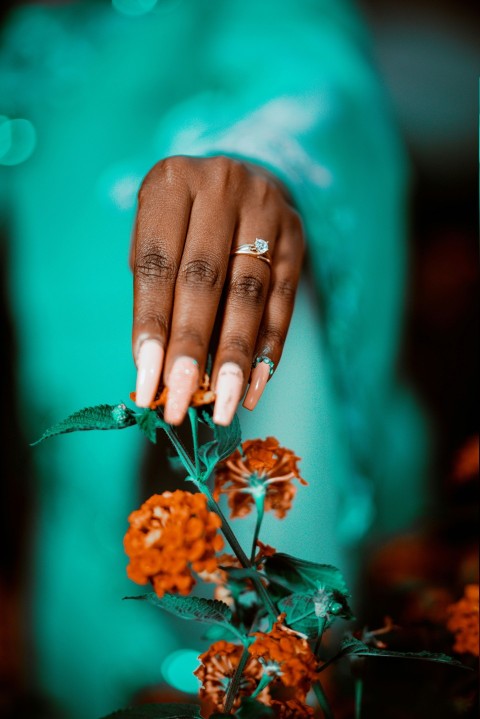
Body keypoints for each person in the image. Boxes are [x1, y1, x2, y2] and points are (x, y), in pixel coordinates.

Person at [0, 0, 427, 716]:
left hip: (245, 574)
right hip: (66, 563)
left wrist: (263, 167)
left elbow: (313, 90)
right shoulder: (29, 38)